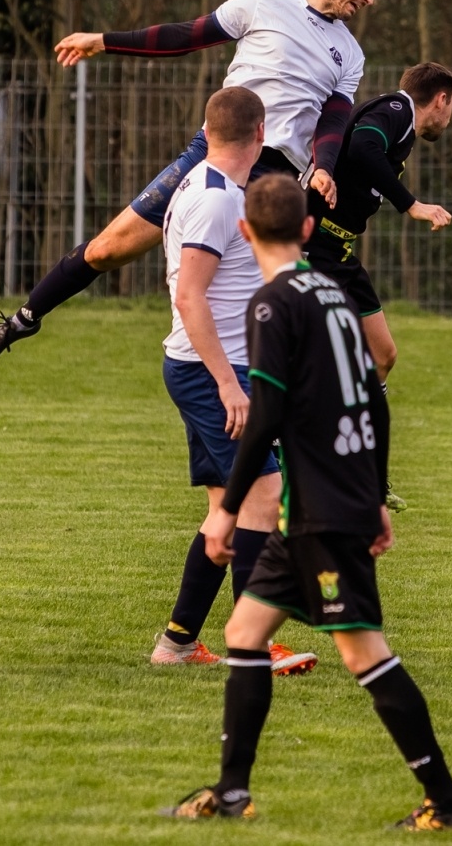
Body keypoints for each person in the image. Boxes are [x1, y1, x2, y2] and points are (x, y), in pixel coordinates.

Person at [164, 173, 452, 830]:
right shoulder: (332, 292)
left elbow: (267, 410)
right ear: (307, 228)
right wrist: (379, 491)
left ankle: (447, 803)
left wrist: (224, 508)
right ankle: (232, 791)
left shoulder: (272, 302)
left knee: (364, 654)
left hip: (322, 514)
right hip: (318, 507)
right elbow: (373, 393)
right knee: (244, 633)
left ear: (245, 233)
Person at [0, 0, 392, 366]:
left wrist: (325, 169)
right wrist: (104, 41)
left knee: (267, 300)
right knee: (106, 250)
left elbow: (333, 121)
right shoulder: (265, 3)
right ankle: (23, 319)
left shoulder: (350, 55)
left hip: (274, 180)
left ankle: (276, 413)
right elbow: (187, 36)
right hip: (213, 154)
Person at [151, 87, 316, 677]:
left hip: (207, 367)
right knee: (263, 495)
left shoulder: (209, 186)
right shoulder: (216, 199)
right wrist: (227, 383)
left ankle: (176, 642)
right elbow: (188, 295)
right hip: (209, 373)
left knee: (225, 505)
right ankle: (254, 644)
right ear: (261, 131)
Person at [304, 61, 452, 381]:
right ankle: (282, 429)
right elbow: (363, 145)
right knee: (311, 358)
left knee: (382, 355)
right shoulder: (397, 110)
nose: (449, 118)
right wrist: (410, 204)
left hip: (339, 251)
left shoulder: (400, 122)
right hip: (313, 247)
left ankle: (363, 429)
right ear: (441, 100)